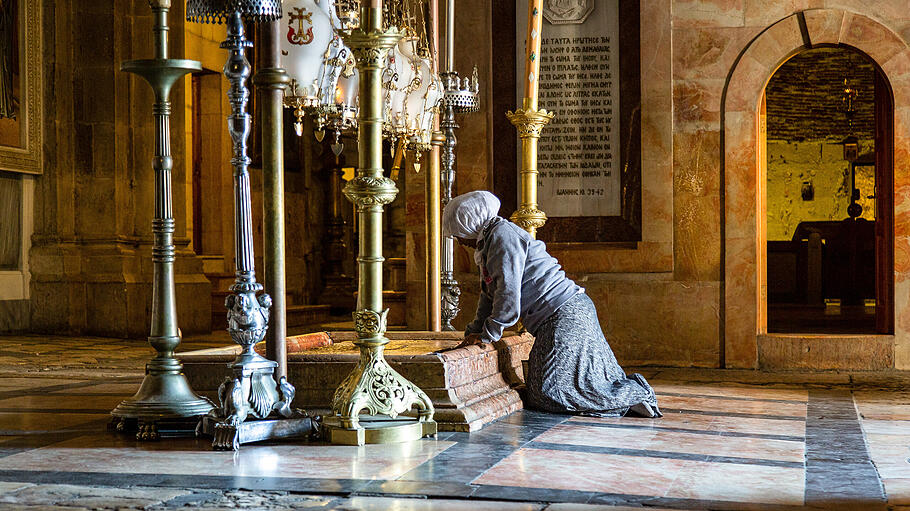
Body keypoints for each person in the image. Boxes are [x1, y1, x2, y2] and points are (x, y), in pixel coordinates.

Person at [442, 191, 661, 418]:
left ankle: (636, 395)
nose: (459, 241)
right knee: (554, 386)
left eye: (457, 233)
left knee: (549, 392)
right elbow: (488, 296)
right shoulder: (489, 242)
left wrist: (488, 334)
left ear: (469, 222)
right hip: (562, 314)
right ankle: (626, 397)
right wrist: (475, 332)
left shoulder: (502, 236)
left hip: (564, 314)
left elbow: (508, 294)